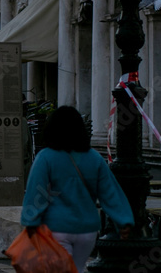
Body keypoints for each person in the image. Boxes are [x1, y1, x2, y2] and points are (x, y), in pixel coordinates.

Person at [21, 106, 134, 273]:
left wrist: (30, 223)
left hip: (56, 228)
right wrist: (123, 220)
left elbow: (36, 194)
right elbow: (110, 192)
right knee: (78, 269)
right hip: (87, 230)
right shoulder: (94, 158)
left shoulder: (45, 157)